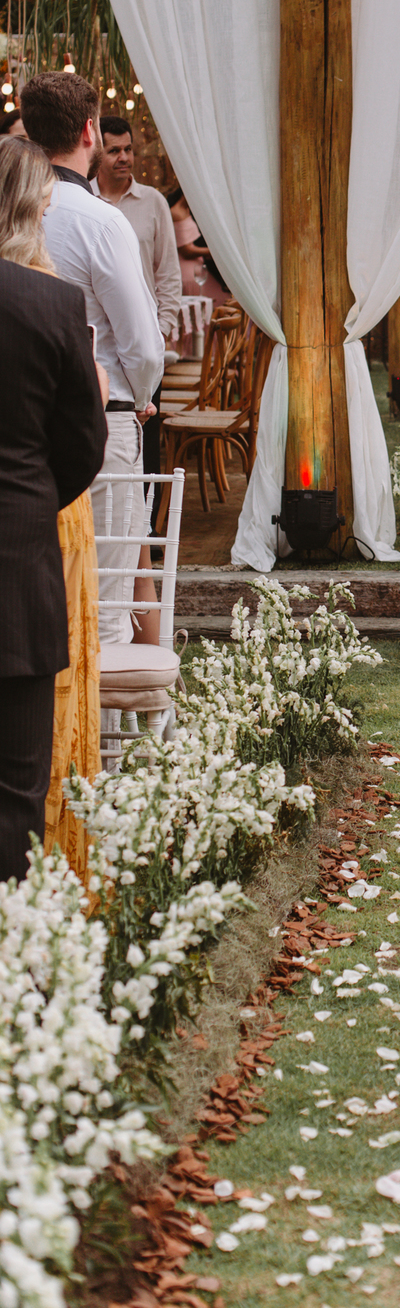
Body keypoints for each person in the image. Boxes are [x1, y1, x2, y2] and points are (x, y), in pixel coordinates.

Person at [21, 72, 164, 646]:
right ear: (90, 131)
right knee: (104, 595)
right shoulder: (100, 220)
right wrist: (144, 395)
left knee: (36, 590)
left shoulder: (17, 215)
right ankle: (100, 735)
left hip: (22, 424)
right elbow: (142, 341)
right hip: (102, 421)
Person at [0, 140, 107, 881]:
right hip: (18, 570)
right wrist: (32, 496)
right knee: (14, 790)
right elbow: (83, 444)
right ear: (35, 212)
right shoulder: (51, 303)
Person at [93, 115, 182, 480]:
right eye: (114, 150)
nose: (124, 157)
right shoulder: (85, 201)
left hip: (144, 343)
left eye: (128, 149)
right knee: (104, 438)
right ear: (97, 152)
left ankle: (148, 528)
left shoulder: (153, 202)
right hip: (100, 349)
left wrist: (160, 333)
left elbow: (168, 274)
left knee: (148, 440)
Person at [168, 187, 230, 301]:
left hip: (199, 267)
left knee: (222, 298)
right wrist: (216, 252)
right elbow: (186, 251)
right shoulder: (176, 213)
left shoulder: (187, 210)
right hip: (189, 272)